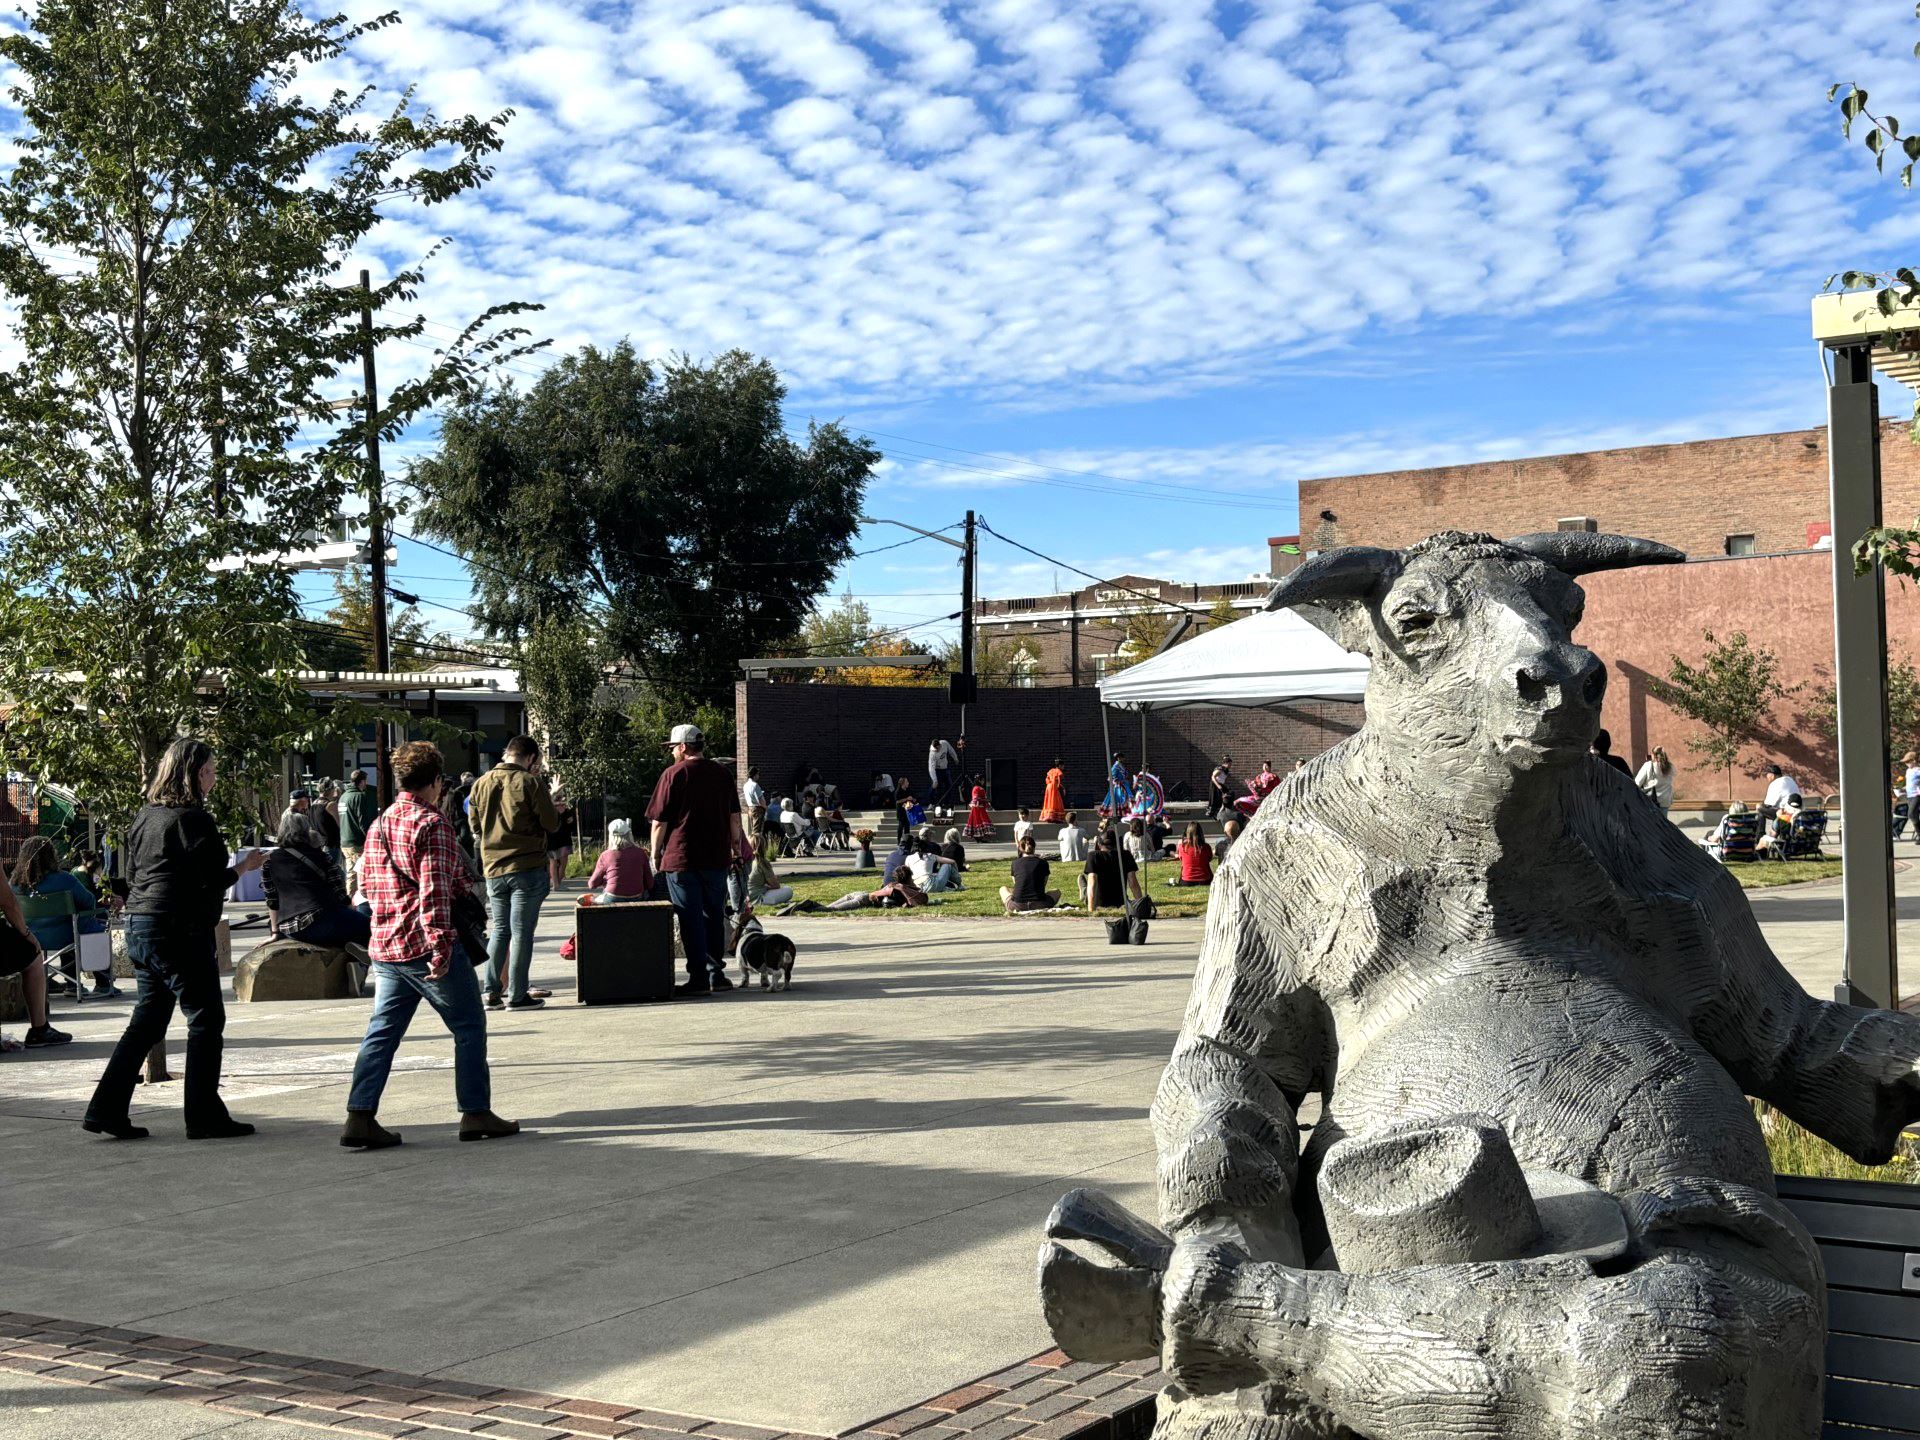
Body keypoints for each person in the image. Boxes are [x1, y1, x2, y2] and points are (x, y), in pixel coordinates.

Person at [83, 736, 263, 1141]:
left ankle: (106, 1109)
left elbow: (132, 875)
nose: (215, 778)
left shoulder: (146, 815)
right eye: (213, 771)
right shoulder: (193, 819)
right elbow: (208, 879)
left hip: (141, 924)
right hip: (177, 927)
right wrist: (244, 868)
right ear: (199, 773)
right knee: (205, 1017)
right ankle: (203, 1115)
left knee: (148, 1019)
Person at [341, 740, 518, 1150]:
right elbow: (433, 892)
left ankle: (360, 1115)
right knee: (469, 1026)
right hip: (425, 945)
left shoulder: (380, 823)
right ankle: (475, 1111)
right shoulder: (432, 824)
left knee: (381, 1033)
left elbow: (367, 884)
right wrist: (440, 946)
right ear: (436, 782)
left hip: (386, 945)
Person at [647, 722, 746, 996]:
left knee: (690, 916)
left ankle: (698, 978)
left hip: (682, 858)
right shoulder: (723, 774)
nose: (671, 753)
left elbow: (659, 822)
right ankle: (717, 974)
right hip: (717, 857)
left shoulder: (672, 774)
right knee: (714, 914)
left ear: (682, 747)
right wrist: (735, 850)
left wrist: (656, 854)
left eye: (672, 748)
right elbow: (734, 818)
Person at [468, 735, 562, 1011]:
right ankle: (518, 995)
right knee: (522, 932)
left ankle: (491, 991)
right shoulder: (530, 783)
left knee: (500, 930)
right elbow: (550, 823)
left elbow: (475, 825)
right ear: (531, 758)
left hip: (493, 867)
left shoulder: (480, 784)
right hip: (526, 867)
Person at [12, 835, 119, 998]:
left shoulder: (15, 884)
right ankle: (101, 982)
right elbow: (89, 901)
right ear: (51, 856)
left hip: (30, 938)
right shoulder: (64, 879)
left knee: (74, 924)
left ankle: (70, 982)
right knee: (86, 924)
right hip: (65, 936)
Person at [261, 814, 371, 951]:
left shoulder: (269, 861)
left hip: (289, 928)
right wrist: (351, 911)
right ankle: (360, 961)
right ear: (306, 831)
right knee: (370, 928)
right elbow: (339, 892)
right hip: (321, 919)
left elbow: (271, 899)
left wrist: (275, 932)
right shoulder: (321, 856)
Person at [0, 855, 73, 1047]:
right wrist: (26, 934)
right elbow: (7, 901)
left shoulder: (17, 880)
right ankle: (39, 1029)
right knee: (33, 956)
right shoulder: (65, 878)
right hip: (65, 937)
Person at [587, 818, 654, 902]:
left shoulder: (606, 855)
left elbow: (592, 884)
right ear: (629, 834)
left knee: (595, 900)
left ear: (610, 835)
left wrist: (606, 881)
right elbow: (650, 884)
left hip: (613, 897)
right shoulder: (641, 853)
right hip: (637, 897)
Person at [1082, 828, 1141, 912]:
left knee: (1087, 887)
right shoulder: (1126, 855)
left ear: (1099, 844)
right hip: (1120, 902)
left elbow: (1092, 882)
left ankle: (1084, 891)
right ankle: (1084, 890)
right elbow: (1133, 883)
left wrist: (1091, 909)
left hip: (1098, 903)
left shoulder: (1093, 856)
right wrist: (1141, 903)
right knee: (1086, 886)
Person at [340, 769, 380, 889]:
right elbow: (363, 822)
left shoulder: (343, 796)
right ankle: (357, 904)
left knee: (351, 873)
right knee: (362, 874)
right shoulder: (360, 797)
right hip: (357, 842)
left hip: (345, 841)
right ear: (362, 782)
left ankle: (351, 901)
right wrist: (371, 840)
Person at [1000, 834, 1060, 913]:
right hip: (1040, 904)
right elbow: (1043, 883)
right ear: (1034, 848)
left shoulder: (1015, 863)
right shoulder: (1043, 863)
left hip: (1017, 905)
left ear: (1020, 848)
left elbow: (1015, 883)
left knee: (1003, 889)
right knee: (1056, 892)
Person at [1170, 822, 1214, 887]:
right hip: (1205, 880)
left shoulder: (1182, 847)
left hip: (1187, 881)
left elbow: (1181, 859)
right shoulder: (1207, 847)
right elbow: (1209, 858)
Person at [1634, 746, 1676, 813]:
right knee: (1662, 822)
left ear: (1653, 755)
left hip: (1651, 800)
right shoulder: (1670, 766)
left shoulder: (1648, 765)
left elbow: (1637, 782)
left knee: (1650, 822)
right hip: (1665, 800)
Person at [546, 796, 575, 890]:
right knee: (553, 861)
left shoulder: (567, 812)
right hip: (552, 838)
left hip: (564, 839)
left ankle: (557, 883)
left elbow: (571, 826)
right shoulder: (549, 811)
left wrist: (570, 820)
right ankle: (556, 884)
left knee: (563, 862)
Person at [315, 779, 344, 871]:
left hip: (319, 843)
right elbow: (341, 825)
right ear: (331, 790)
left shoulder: (313, 804)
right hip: (332, 844)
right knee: (334, 870)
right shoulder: (331, 805)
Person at [929, 737, 959, 807]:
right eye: (935, 749)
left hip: (945, 769)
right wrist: (934, 780)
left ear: (939, 745)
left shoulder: (944, 743)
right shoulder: (932, 754)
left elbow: (951, 750)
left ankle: (948, 803)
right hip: (937, 770)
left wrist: (955, 758)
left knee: (949, 785)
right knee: (938, 787)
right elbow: (931, 768)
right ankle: (937, 803)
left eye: (937, 748)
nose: (936, 750)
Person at [1041, 759, 1068, 824]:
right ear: (1060, 765)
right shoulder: (1059, 771)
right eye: (1063, 765)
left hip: (1048, 787)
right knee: (1055, 801)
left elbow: (1047, 779)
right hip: (1053, 787)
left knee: (1049, 801)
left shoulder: (1051, 770)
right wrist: (1063, 789)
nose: (1064, 767)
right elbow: (1059, 782)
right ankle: (1055, 817)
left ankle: (1049, 817)